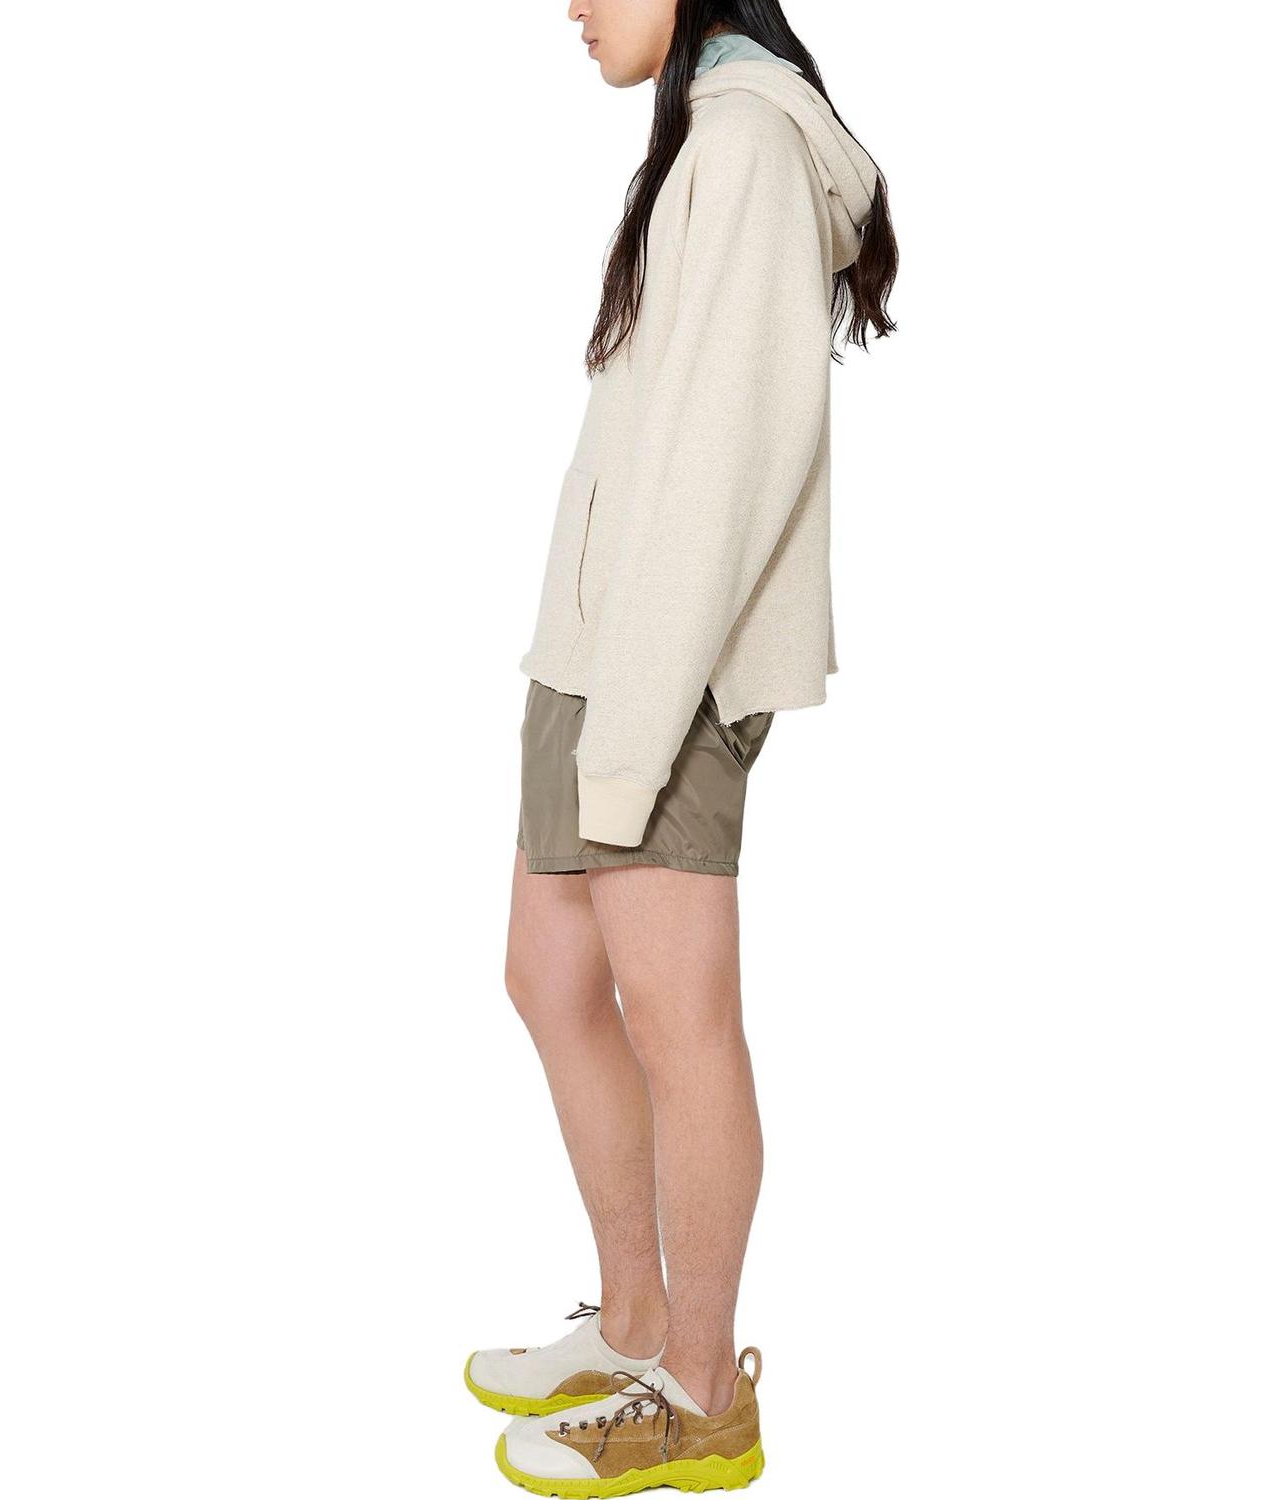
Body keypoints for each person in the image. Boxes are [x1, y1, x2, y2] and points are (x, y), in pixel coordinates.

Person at [469, 4, 898, 1492]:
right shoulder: (704, 133)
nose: (567, 6)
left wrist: (637, 726)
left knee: (678, 1017)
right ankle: (638, 1320)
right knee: (549, 975)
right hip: (593, 653)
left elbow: (723, 474)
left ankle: (702, 1394)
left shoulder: (751, 143)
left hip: (664, 674)